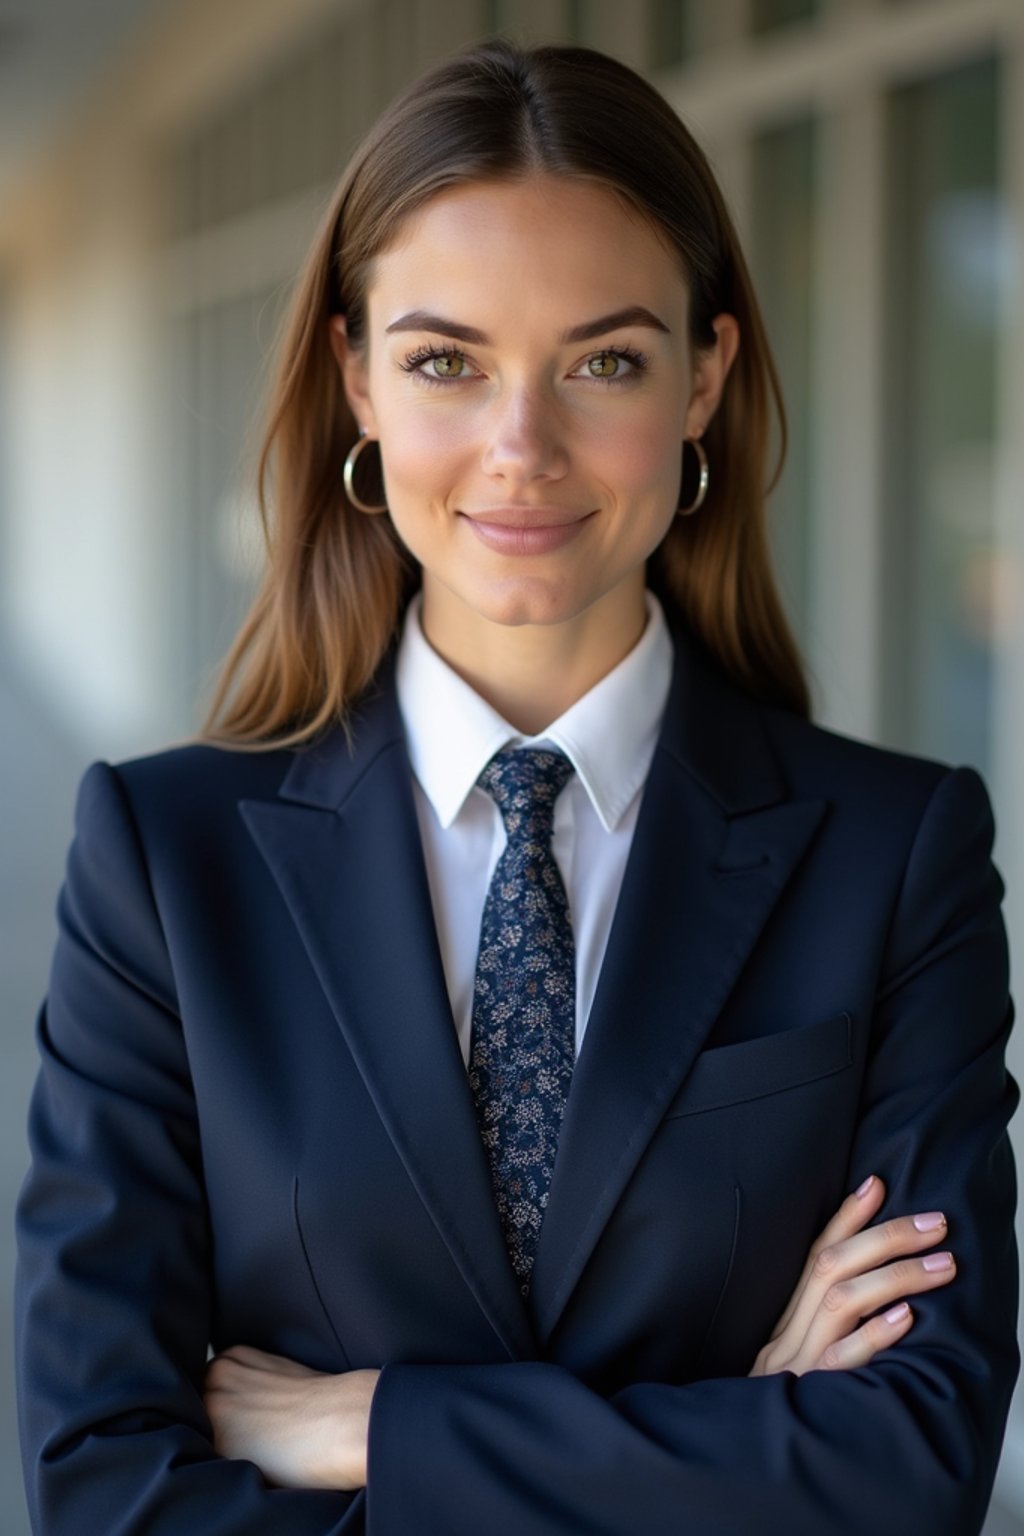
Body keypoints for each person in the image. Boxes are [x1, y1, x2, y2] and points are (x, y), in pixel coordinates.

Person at [14, 35, 1019, 1536]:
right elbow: (102, 1480)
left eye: (604, 361)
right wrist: (746, 1433)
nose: (522, 447)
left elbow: (911, 1465)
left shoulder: (894, 855)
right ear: (355, 376)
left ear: (706, 379)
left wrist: (371, 1427)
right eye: (445, 362)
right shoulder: (166, 860)